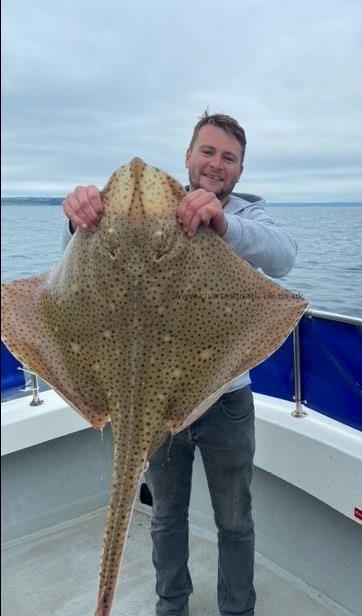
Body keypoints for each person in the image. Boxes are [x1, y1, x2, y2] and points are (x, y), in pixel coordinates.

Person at [61, 112, 298, 616]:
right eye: (207, 152)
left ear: (240, 170)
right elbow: (70, 276)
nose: (216, 164)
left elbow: (283, 257)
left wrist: (220, 221)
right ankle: (172, 607)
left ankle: (238, 610)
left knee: (235, 519)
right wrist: (77, 221)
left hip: (224, 399)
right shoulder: (130, 221)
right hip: (143, 400)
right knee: (166, 516)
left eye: (228, 158)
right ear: (188, 156)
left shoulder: (247, 219)